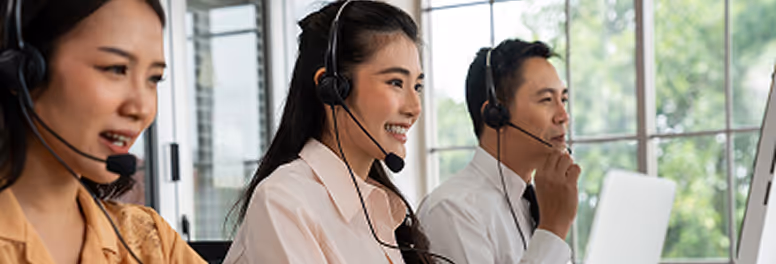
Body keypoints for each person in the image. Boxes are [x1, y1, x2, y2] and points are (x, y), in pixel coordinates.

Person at [224, 1, 431, 263]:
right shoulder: (284, 202)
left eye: (418, 87)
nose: (415, 108)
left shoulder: (377, 206)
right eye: (395, 83)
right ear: (332, 88)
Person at [0, 0, 206, 263]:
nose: (142, 108)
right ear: (23, 72)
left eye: (153, 78)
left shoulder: (150, 241)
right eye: (116, 69)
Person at [417, 39, 581, 263]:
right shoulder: (452, 210)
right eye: (546, 100)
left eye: (563, 99)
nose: (563, 116)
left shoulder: (536, 203)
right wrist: (553, 229)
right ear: (495, 115)